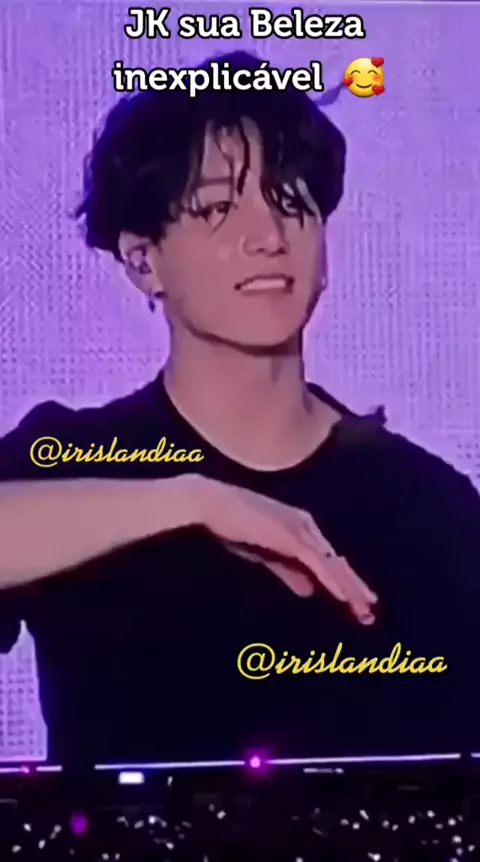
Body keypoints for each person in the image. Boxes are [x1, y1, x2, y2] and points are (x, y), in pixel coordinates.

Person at [0, 50, 479, 767]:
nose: (269, 237)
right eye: (218, 208)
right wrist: (193, 501)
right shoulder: (71, 461)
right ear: (143, 260)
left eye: (291, 202)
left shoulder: (428, 504)